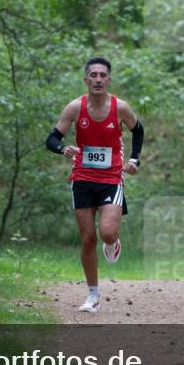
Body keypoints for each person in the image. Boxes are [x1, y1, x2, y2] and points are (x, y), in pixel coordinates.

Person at [45, 57, 143, 313]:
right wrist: (63, 148)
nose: (98, 79)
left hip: (111, 178)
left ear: (108, 80)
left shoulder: (120, 107)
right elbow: (52, 138)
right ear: (86, 80)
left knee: (107, 233)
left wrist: (134, 160)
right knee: (88, 239)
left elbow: (138, 130)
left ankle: (113, 243)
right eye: (93, 75)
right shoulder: (75, 108)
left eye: (102, 75)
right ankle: (93, 295)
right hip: (82, 179)